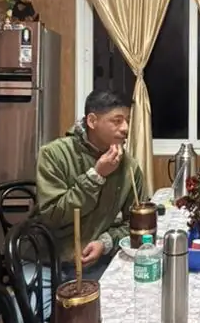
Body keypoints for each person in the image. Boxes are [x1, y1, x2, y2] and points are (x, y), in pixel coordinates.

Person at [35, 89, 145, 277]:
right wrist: (96, 176)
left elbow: (137, 223)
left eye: (127, 120)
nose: (126, 128)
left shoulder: (129, 166)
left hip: (98, 263)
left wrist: (106, 242)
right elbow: (52, 216)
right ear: (92, 121)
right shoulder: (53, 154)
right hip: (50, 261)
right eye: (117, 121)